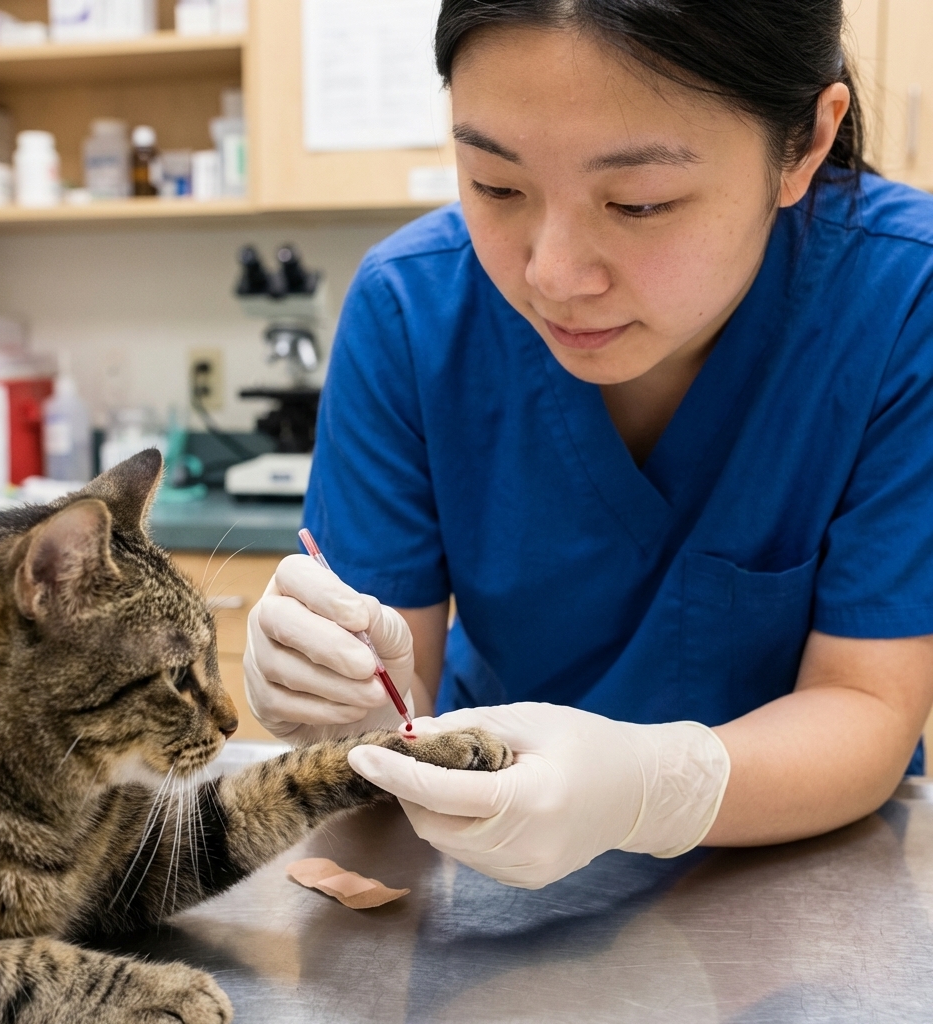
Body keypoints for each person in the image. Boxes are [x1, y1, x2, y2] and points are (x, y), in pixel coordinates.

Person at [243, 0, 933, 889]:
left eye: (639, 201)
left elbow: (868, 706)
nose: (553, 276)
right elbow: (390, 712)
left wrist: (653, 791)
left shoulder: (902, 301)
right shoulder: (410, 310)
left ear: (804, 142)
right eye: (495, 184)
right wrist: (337, 704)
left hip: (802, 883)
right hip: (491, 869)